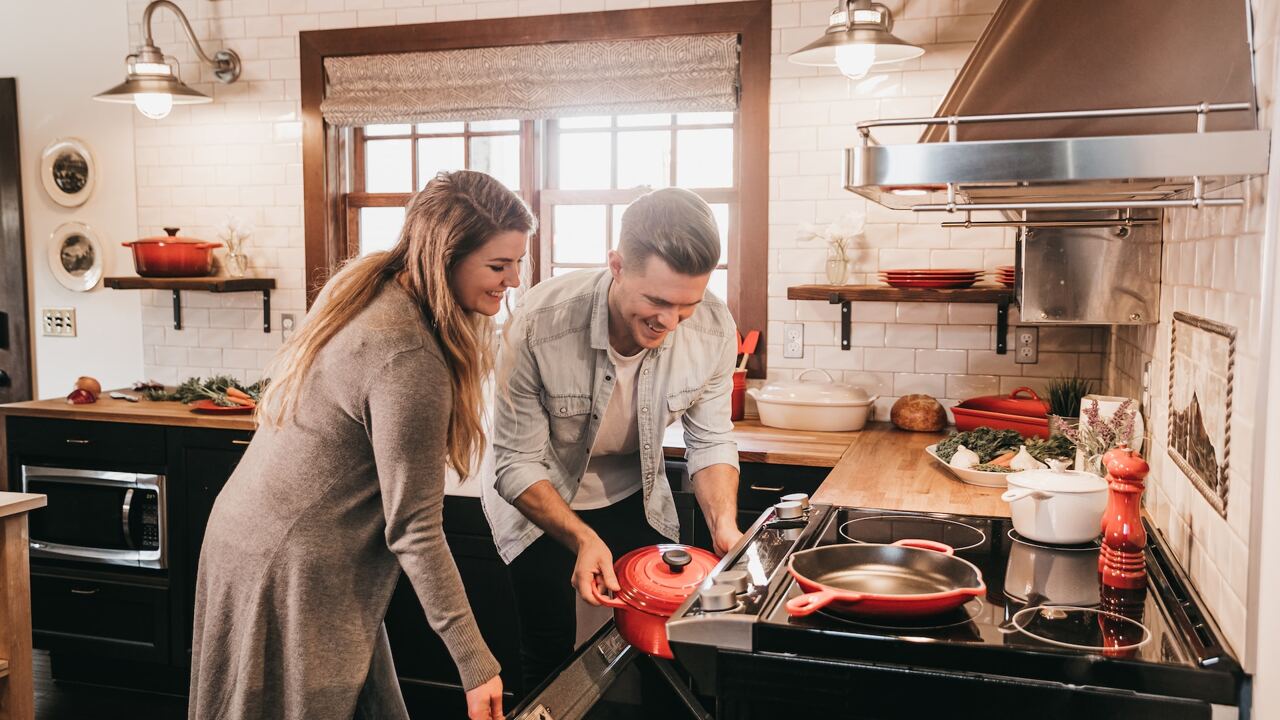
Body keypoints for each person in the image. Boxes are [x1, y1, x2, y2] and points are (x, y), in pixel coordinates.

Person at [189, 170, 535, 720]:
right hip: (292, 562)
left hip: (254, 537)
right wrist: (476, 664)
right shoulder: (408, 354)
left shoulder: (375, 287)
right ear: (445, 256)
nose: (513, 279)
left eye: (518, 261)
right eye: (499, 265)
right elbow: (415, 529)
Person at [484, 187, 743, 692]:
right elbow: (515, 461)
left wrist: (725, 526)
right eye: (657, 301)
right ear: (617, 266)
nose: (669, 322)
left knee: (658, 651)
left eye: (686, 306)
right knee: (550, 652)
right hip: (541, 499)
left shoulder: (713, 328)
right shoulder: (540, 323)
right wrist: (582, 538)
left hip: (636, 496)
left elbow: (710, 439)